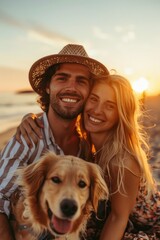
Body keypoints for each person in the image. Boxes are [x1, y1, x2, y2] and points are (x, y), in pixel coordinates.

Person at [16, 74, 160, 239]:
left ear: (121, 114)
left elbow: (118, 217)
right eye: (93, 99)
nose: (97, 110)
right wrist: (31, 119)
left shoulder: (122, 161)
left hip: (145, 228)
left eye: (110, 106)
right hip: (111, 220)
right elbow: (57, 121)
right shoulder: (85, 144)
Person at [0, 43, 109, 240]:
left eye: (81, 81)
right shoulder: (27, 139)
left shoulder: (88, 141)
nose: (71, 88)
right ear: (47, 87)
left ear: (89, 93)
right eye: (62, 78)